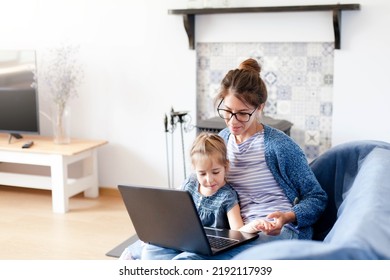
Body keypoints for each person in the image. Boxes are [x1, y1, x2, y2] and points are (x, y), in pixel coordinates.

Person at [121, 58, 327, 260]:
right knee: (154, 251)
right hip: (232, 232)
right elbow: (199, 179)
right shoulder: (223, 139)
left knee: (191, 259)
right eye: (227, 111)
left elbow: (316, 198)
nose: (233, 121)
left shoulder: (279, 146)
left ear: (260, 108)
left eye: (243, 114)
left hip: (276, 232)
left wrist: (286, 217)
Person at [140, 132, 273, 260]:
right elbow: (173, 212)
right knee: (149, 251)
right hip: (183, 239)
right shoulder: (190, 183)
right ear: (194, 169)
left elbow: (237, 231)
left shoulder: (227, 196)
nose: (209, 180)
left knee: (186, 259)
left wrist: (254, 226)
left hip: (207, 248)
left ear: (226, 167)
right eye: (202, 174)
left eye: (215, 172)